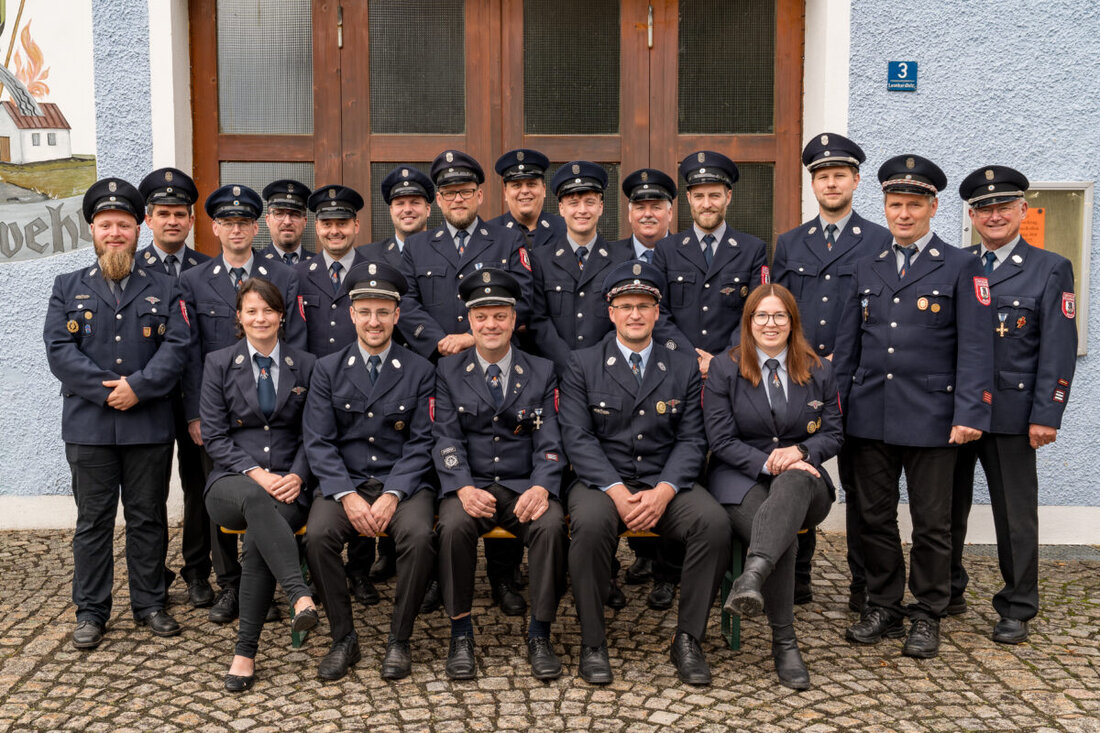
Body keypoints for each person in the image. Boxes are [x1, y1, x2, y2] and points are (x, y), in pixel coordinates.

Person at [833, 155, 993, 659]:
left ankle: (927, 612)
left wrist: (970, 413)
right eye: (895, 204)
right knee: (874, 518)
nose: (903, 214)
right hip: (870, 415)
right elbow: (849, 344)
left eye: (913, 205)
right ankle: (882, 604)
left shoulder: (963, 264)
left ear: (933, 207)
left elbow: (976, 347)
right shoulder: (866, 266)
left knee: (932, 523)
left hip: (933, 418)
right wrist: (836, 412)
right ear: (884, 206)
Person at [560, 261, 731, 686]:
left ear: (657, 312)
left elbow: (693, 440)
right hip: (603, 482)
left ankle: (688, 639)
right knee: (590, 523)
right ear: (610, 311)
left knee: (713, 524)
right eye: (625, 305)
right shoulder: (582, 363)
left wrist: (664, 491)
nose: (635, 314)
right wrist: (618, 492)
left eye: (644, 306)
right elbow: (578, 439)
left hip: (662, 479)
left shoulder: (683, 365)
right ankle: (593, 642)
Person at [44, 177, 190, 649]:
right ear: (93, 229)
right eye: (105, 225)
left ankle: (150, 604)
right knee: (93, 521)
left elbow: (177, 347)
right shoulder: (67, 287)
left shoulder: (165, 287)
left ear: (138, 229)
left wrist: (138, 388)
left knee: (147, 517)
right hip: (89, 426)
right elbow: (59, 350)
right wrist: (108, 392)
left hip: (147, 424)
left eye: (123, 225)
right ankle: (91, 610)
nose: (114, 233)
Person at [949, 166, 1077, 644]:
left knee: (1014, 514)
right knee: (947, 508)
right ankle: (948, 590)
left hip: (1014, 415)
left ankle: (1017, 606)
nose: (994, 214)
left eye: (1004, 205)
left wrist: (1048, 412)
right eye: (984, 208)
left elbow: (1059, 347)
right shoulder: (957, 263)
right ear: (972, 215)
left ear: (1024, 209)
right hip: (957, 413)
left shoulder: (1049, 267)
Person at [772, 133, 893, 611]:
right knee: (794, 469)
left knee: (866, 494)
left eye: (839, 175)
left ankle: (864, 587)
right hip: (799, 379)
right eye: (823, 176)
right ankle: (797, 575)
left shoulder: (880, 240)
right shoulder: (790, 242)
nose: (831, 183)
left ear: (856, 180)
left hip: (856, 381)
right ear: (813, 184)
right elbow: (777, 312)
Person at [180, 183, 307, 624]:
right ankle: (230, 586)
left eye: (244, 222)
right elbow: (191, 350)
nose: (236, 230)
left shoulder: (285, 276)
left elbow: (298, 345)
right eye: (227, 223)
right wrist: (196, 413)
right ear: (214, 228)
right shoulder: (193, 280)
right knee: (217, 487)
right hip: (217, 409)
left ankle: (268, 587)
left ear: (256, 227)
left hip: (275, 405)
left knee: (261, 498)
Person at [303, 261, 437, 681]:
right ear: (352, 314)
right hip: (347, 483)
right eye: (365, 311)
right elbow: (319, 441)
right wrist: (347, 495)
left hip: (404, 484)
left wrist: (393, 493)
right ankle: (343, 637)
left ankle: (400, 639)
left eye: (383, 311)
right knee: (320, 536)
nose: (374, 321)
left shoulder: (421, 370)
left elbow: (423, 441)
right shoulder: (327, 369)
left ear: (397, 315)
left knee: (418, 535)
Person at [432, 269, 568, 680]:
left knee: (551, 526)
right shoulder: (448, 372)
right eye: (481, 317)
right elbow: (445, 439)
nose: (490, 325)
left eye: (500, 316)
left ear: (513, 320)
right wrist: (461, 487)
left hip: (522, 485)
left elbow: (550, 439)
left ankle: (540, 633)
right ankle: (460, 632)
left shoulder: (541, 371)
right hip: (470, 485)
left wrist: (543, 486)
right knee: (452, 527)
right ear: (469, 322)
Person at [704, 284, 841, 689]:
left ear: (792, 321)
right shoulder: (724, 369)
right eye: (761, 316)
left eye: (779, 315)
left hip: (805, 483)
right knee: (782, 531)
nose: (770, 323)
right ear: (748, 322)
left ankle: (751, 577)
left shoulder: (818, 369)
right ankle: (785, 643)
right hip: (739, 479)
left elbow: (834, 434)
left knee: (794, 481)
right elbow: (720, 441)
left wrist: (799, 451)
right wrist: (768, 461)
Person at [200, 278, 320, 692]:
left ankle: (244, 653)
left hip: (289, 486)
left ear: (281, 315)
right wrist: (258, 473)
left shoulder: (305, 365)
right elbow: (214, 437)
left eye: (268, 310)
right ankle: (298, 594)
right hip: (231, 484)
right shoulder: (218, 363)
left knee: (256, 541)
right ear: (239, 316)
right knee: (253, 497)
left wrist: (298, 476)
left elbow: (313, 435)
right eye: (251, 310)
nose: (260, 318)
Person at [136, 167, 214, 609]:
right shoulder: (132, 267)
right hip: (146, 402)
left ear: (190, 220)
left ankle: (197, 570)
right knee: (147, 496)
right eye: (163, 213)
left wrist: (199, 408)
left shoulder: (206, 269)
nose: (172, 221)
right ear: (149, 219)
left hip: (193, 402)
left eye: (180, 214)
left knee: (197, 488)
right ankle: (153, 576)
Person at [612, 167, 683, 604]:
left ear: (671, 211)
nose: (648, 212)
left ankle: (668, 568)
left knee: (671, 452)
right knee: (629, 444)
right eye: (640, 206)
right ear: (629, 212)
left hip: (684, 368)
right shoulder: (611, 255)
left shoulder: (682, 252)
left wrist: (691, 356)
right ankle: (642, 553)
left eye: (657, 205)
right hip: (620, 367)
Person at [397, 149, 533, 360]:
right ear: (439, 200)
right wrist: (439, 342)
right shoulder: (415, 246)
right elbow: (405, 303)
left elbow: (523, 299)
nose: (458, 199)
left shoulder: (509, 240)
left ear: (479, 196)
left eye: (465, 192)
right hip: (436, 362)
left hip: (494, 359)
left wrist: (472, 337)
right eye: (450, 193)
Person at [652, 150, 768, 379]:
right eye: (699, 196)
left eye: (714, 195)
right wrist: (691, 358)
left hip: (735, 371)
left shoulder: (752, 250)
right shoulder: (666, 250)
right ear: (688, 199)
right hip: (677, 370)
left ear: (728, 197)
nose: (707, 204)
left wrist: (723, 361)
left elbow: (757, 313)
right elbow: (657, 312)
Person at [529, 160, 631, 373]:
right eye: (574, 203)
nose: (582, 210)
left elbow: (625, 320)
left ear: (601, 207)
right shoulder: (540, 259)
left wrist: (594, 362)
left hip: (607, 371)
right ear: (561, 208)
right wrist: (569, 364)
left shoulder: (622, 259)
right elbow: (537, 321)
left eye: (590, 202)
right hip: (556, 373)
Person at [359, 165, 435, 270]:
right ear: (391, 210)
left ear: (428, 209)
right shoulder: (366, 256)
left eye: (415, 203)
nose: (407, 209)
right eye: (400, 204)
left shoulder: (446, 251)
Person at [488, 148, 565, 249]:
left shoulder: (565, 230)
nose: (524, 191)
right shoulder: (489, 234)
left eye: (531, 184)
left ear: (544, 190)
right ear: (505, 193)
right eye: (517, 185)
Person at [614, 168, 677, 264]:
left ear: (670, 213)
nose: (648, 214)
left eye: (656, 207)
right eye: (640, 208)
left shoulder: (686, 255)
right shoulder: (612, 256)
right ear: (630, 214)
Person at [259, 179, 314, 265]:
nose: (287, 222)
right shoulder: (254, 264)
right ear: (267, 220)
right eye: (279, 214)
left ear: (305, 221)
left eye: (295, 215)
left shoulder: (320, 265)